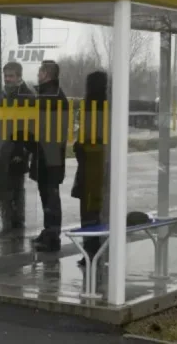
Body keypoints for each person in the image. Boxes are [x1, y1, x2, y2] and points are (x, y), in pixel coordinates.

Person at [30, 60, 69, 252]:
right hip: (49, 154)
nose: (38, 74)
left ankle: (52, 237)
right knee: (47, 195)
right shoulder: (50, 94)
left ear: (46, 73)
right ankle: (49, 232)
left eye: (40, 71)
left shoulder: (51, 97)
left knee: (50, 196)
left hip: (49, 155)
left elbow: (42, 127)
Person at [0, 61, 35, 238]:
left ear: (19, 77)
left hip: (18, 148)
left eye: (11, 76)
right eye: (6, 76)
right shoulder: (4, 95)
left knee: (14, 187)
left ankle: (14, 225)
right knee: (5, 186)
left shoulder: (27, 97)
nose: (7, 79)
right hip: (4, 147)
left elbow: (29, 127)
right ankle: (10, 224)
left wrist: (22, 150)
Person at [71, 71, 108, 268]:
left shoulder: (89, 108)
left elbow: (85, 140)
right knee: (99, 209)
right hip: (101, 166)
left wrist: (79, 147)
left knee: (88, 211)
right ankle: (98, 250)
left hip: (89, 167)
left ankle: (90, 250)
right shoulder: (109, 107)